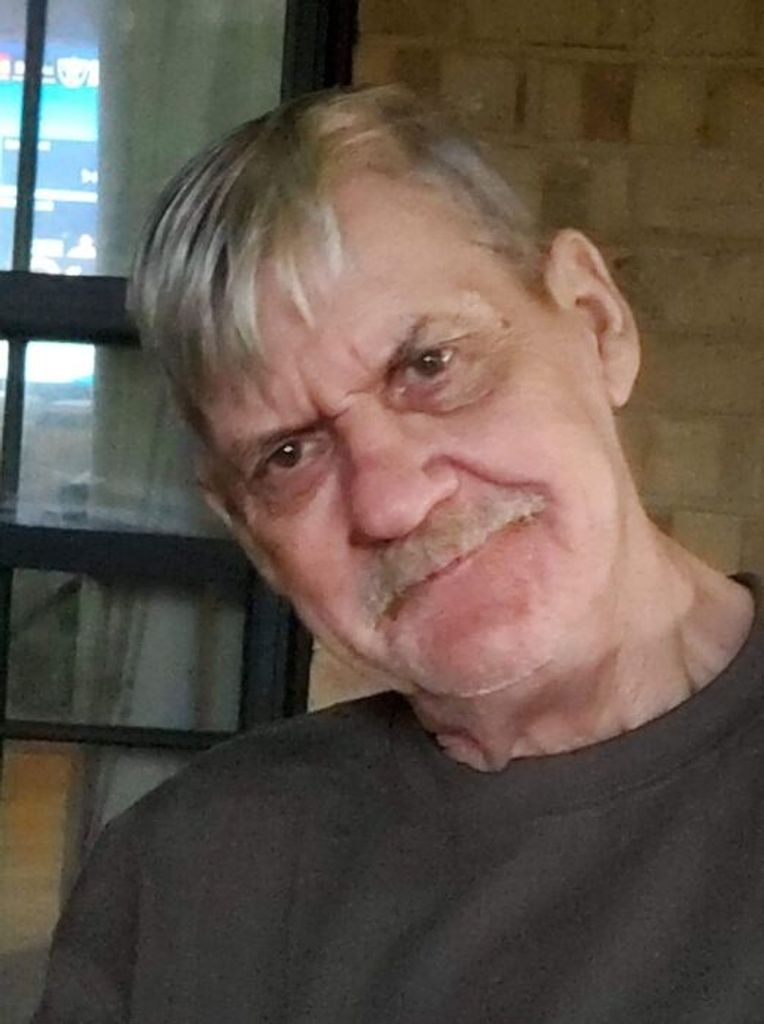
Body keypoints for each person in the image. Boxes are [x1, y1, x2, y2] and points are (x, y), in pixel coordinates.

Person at [33, 85, 763, 1024]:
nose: (391, 501)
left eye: (429, 365)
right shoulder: (186, 880)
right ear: (249, 531)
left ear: (596, 323)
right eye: (288, 456)